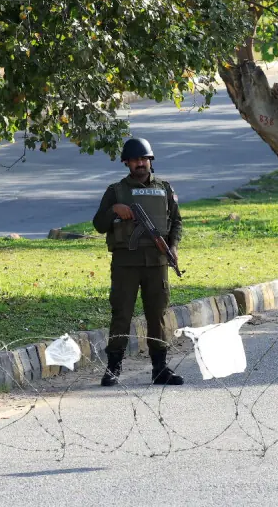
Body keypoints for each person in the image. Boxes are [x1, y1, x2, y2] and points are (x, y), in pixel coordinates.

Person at [92, 137, 184, 386]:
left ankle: (160, 368)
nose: (140, 164)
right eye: (135, 160)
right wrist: (114, 210)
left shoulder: (164, 188)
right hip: (126, 263)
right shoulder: (116, 191)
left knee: (158, 316)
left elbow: (176, 222)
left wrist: (173, 247)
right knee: (121, 314)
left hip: (157, 263)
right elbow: (99, 224)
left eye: (144, 159)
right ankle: (113, 368)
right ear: (127, 163)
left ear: (150, 161)